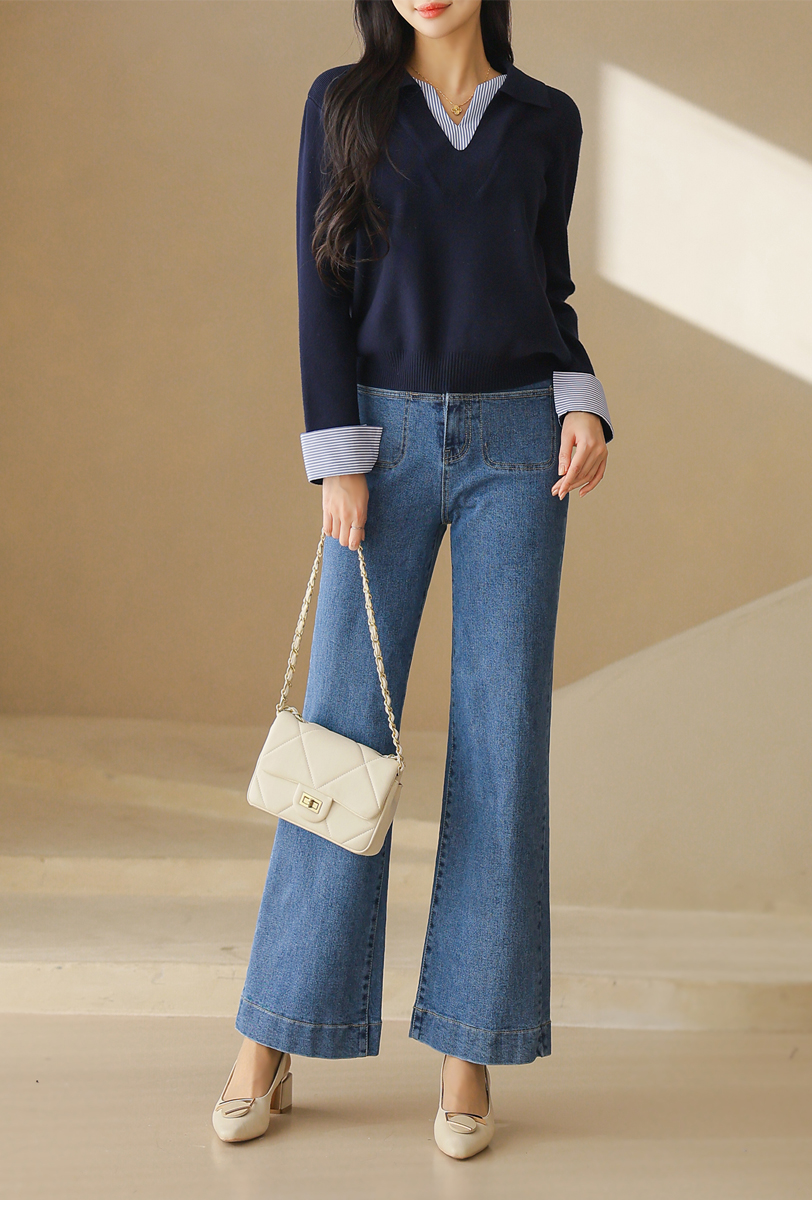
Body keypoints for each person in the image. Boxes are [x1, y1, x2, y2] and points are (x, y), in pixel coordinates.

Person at [212, 0, 612, 1159]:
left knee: (501, 743)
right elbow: (318, 284)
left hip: (517, 450)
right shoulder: (344, 107)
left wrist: (582, 404)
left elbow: (549, 293)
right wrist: (336, 456)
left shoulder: (545, 119)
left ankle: (467, 1051)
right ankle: (272, 1036)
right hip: (378, 449)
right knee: (340, 735)